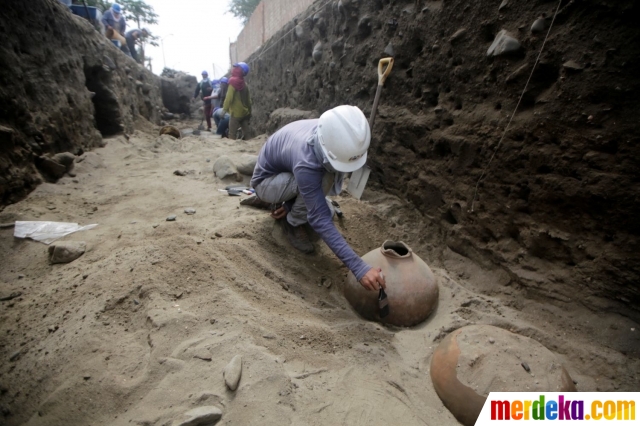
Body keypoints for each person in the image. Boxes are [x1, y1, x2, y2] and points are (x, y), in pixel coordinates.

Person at [250, 105, 386, 292]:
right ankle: (293, 224)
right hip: (265, 183)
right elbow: (319, 218)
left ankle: (291, 207)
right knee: (323, 182)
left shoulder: (332, 131)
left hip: (287, 172)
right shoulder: (307, 160)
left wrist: (290, 204)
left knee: (321, 182)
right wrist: (359, 268)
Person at [223, 62, 252, 140]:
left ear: (240, 70)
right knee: (247, 134)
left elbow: (229, 98)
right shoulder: (245, 84)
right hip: (245, 113)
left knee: (232, 134)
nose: (234, 69)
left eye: (236, 68)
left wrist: (224, 110)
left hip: (235, 114)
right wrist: (249, 112)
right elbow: (249, 101)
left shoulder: (232, 82)